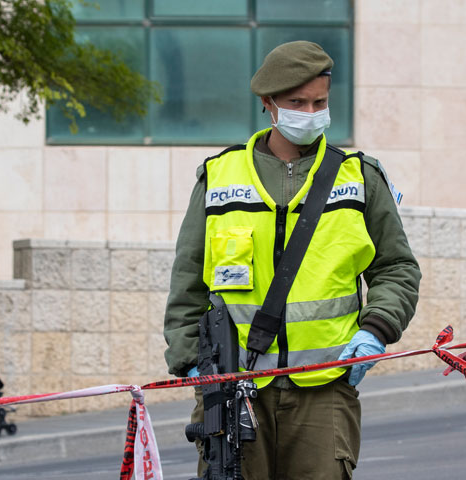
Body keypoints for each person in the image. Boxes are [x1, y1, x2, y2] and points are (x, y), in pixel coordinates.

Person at [163, 41, 421, 479]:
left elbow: (397, 268)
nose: (311, 112)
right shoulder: (219, 177)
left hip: (325, 389)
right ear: (268, 104)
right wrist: (191, 364)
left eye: (320, 101)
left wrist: (376, 329)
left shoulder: (360, 176)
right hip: (233, 387)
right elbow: (188, 282)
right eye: (297, 102)